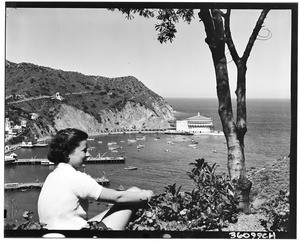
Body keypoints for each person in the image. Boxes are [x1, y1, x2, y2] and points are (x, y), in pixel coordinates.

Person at [37, 128, 154, 230]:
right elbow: (118, 197)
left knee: (132, 193)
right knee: (135, 192)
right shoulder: (76, 178)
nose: (88, 154)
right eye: (84, 150)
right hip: (78, 237)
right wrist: (148, 194)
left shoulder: (52, 176)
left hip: (55, 234)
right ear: (68, 153)